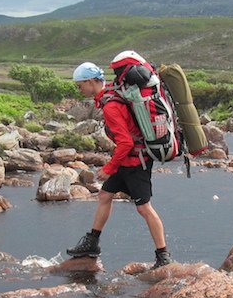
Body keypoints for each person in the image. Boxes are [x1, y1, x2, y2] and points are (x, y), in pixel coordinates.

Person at [65, 57, 173, 269]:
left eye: (80, 86)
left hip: (136, 162)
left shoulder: (111, 106)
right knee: (105, 195)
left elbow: (126, 142)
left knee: (144, 208)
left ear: (90, 82)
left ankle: (163, 256)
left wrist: (108, 168)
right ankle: (92, 244)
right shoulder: (112, 96)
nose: (79, 90)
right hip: (128, 160)